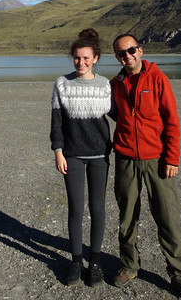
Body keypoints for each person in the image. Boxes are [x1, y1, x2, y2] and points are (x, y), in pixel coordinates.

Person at [109, 34, 181, 300]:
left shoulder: (157, 78)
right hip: (126, 159)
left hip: (156, 160)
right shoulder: (117, 83)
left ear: (140, 50)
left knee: (168, 217)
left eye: (131, 50)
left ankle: (179, 276)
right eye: (121, 53)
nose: (127, 56)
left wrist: (172, 158)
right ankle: (128, 266)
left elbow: (172, 121)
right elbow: (116, 114)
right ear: (117, 57)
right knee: (127, 217)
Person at [50, 28, 111, 287]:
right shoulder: (62, 84)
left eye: (86, 58)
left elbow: (119, 115)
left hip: (100, 156)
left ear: (95, 58)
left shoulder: (105, 84)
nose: (81, 63)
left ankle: (94, 263)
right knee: (76, 209)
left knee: (97, 209)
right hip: (72, 156)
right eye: (77, 58)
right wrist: (58, 151)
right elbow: (56, 122)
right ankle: (76, 261)